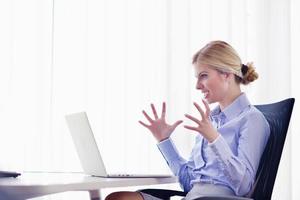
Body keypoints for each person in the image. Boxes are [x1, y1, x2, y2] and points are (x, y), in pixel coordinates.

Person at [105, 40, 270, 200]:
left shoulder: (252, 120)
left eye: (203, 76)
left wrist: (214, 139)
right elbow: (188, 184)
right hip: (192, 197)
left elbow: (244, 186)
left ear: (226, 73)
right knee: (118, 198)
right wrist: (164, 140)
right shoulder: (209, 122)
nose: (198, 86)